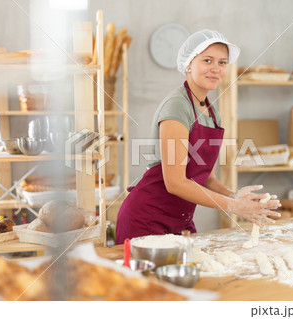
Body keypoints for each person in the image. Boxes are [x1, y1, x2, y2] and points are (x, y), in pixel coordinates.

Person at [115, 30, 281, 244]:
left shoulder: (212, 112)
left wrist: (234, 196)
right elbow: (175, 182)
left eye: (222, 63)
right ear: (189, 64)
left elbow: (206, 178)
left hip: (180, 222)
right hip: (147, 220)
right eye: (208, 60)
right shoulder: (178, 106)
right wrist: (233, 207)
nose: (216, 68)